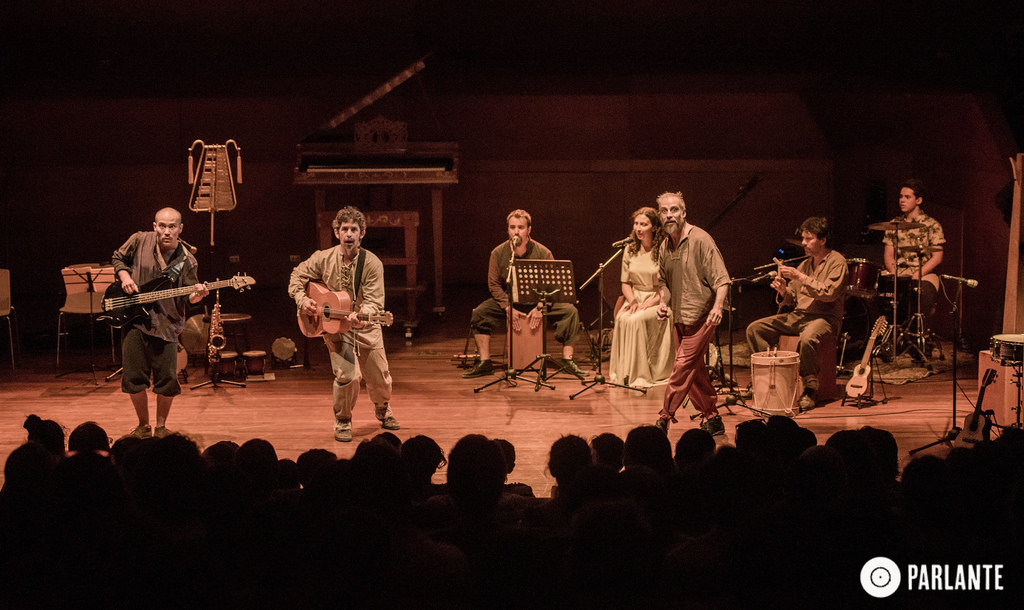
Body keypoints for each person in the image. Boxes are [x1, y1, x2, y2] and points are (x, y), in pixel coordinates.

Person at [288, 206, 399, 442]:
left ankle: (382, 407)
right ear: (336, 232)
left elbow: (374, 302)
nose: (349, 234)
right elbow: (297, 275)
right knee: (348, 375)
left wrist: (362, 315)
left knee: (380, 378)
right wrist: (302, 300)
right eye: (345, 229)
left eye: (354, 229)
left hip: (366, 327)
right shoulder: (323, 258)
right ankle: (343, 419)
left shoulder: (372, 263)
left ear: (362, 233)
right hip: (336, 328)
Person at [111, 207, 208, 439]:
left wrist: (196, 296)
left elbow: (187, 296)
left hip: (167, 325)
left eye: (172, 226)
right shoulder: (139, 240)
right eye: (162, 226)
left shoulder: (187, 260)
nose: (167, 231)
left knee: (167, 380)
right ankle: (143, 425)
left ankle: (161, 427)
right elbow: (117, 257)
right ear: (155, 226)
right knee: (133, 378)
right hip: (135, 320)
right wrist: (125, 276)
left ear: (180, 229)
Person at [462, 209, 586, 379]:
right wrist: (508, 308)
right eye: (512, 227)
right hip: (511, 301)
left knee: (570, 312)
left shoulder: (543, 252)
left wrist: (540, 307)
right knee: (480, 313)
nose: (516, 231)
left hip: (538, 301)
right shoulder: (498, 253)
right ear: (507, 230)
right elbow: (494, 285)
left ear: (529, 230)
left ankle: (567, 360)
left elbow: (552, 286)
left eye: (520, 227)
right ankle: (484, 362)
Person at [745, 216, 847, 411]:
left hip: (824, 317)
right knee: (755, 329)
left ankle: (810, 387)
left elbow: (829, 293)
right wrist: (784, 290)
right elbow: (792, 296)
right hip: (800, 315)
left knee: (808, 338)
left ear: (823, 240)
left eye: (808, 239)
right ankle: (769, 376)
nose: (803, 243)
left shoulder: (837, 262)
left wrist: (800, 277)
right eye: (803, 238)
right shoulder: (806, 264)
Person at [652, 191, 731, 437]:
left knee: (682, 367)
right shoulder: (664, 245)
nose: (669, 215)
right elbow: (663, 283)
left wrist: (718, 307)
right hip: (679, 318)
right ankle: (712, 417)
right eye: (664, 211)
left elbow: (722, 279)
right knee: (695, 371)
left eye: (674, 210)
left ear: (684, 213)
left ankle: (664, 417)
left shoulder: (701, 240)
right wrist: (663, 303)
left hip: (702, 317)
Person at [608, 207, 673, 389]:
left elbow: (667, 286)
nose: (638, 228)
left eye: (643, 224)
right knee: (622, 318)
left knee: (636, 320)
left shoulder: (663, 249)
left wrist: (648, 304)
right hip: (634, 297)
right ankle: (622, 374)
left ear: (654, 227)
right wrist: (633, 301)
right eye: (636, 224)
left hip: (658, 298)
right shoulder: (630, 248)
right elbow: (625, 283)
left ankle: (641, 375)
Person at [881, 178, 945, 355]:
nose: (902, 200)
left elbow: (937, 257)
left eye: (907, 197)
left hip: (924, 271)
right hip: (899, 270)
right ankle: (886, 338)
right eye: (900, 196)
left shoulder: (932, 225)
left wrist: (919, 273)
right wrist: (894, 272)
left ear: (918, 200)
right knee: (878, 286)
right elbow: (888, 255)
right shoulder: (894, 225)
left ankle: (920, 337)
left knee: (925, 290)